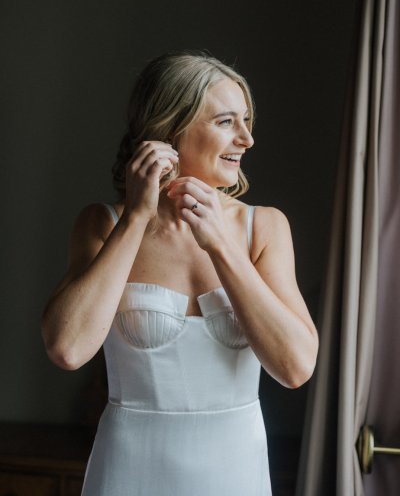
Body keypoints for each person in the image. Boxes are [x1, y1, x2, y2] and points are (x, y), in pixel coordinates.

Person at [41, 50, 319, 496]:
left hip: (236, 473)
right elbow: (68, 349)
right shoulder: (102, 224)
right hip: (128, 471)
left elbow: (295, 367)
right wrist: (135, 218)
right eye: (227, 122)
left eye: (246, 121)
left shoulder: (263, 226)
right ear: (170, 130)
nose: (247, 139)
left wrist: (222, 246)